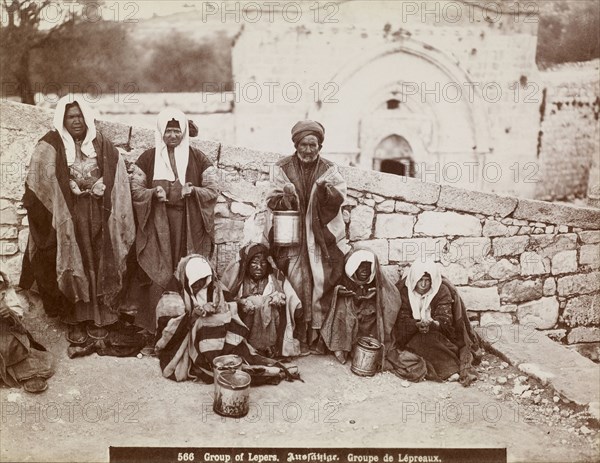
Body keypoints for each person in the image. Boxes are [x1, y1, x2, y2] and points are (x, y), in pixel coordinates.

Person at [19, 95, 135, 346]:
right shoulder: (51, 144)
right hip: (67, 219)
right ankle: (75, 321)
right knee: (73, 261)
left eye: (80, 115)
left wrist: (104, 183)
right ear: (63, 119)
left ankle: (101, 316)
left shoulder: (101, 144)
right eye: (71, 116)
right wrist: (64, 185)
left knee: (99, 258)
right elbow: (38, 177)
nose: (77, 121)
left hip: (99, 216)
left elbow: (116, 170)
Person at [129, 108, 219, 333]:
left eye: (177, 131)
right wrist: (153, 194)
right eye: (168, 131)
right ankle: (155, 327)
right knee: (158, 270)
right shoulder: (148, 157)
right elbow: (135, 189)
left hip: (188, 224)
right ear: (161, 132)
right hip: (157, 225)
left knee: (188, 269)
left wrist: (194, 191)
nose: (172, 136)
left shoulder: (198, 157)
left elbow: (213, 189)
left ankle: (190, 324)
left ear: (184, 132)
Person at [266, 120, 348, 353]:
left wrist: (327, 192)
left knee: (321, 282)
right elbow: (271, 199)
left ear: (320, 146)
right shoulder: (282, 168)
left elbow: (339, 197)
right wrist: (287, 197)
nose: (309, 150)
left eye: (313, 145)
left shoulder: (329, 169)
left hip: (319, 238)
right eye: (304, 145)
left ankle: (318, 337)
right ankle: (295, 335)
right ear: (296, 144)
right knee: (295, 283)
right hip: (290, 238)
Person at [154, 255, 300, 384]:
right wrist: (194, 315)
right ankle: (211, 362)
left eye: (203, 281)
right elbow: (168, 330)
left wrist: (220, 308)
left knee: (237, 351)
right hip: (188, 341)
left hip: (218, 336)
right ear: (187, 280)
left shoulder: (214, 286)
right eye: (195, 283)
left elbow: (230, 304)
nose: (199, 286)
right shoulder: (172, 297)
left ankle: (265, 369)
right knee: (205, 326)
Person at [391, 259, 481, 385]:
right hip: (410, 335)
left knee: (429, 339)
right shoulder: (404, 292)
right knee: (419, 342)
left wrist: (433, 324)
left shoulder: (441, 291)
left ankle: (449, 368)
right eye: (420, 280)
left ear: (432, 280)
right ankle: (449, 369)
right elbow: (401, 320)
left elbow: (446, 319)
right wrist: (415, 325)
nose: (423, 284)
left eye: (427, 280)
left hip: (438, 333)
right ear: (413, 279)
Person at [221, 243, 302, 358]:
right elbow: (228, 300)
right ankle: (248, 346)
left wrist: (277, 298)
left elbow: (284, 297)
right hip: (246, 318)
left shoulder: (271, 279)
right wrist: (242, 303)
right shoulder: (240, 281)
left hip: (269, 323)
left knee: (267, 307)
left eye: (263, 263)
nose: (259, 267)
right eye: (254, 262)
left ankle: (268, 347)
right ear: (247, 264)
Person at [321, 248, 400, 365]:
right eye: (361, 267)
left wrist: (376, 295)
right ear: (354, 268)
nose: (365, 271)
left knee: (372, 315)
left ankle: (360, 349)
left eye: (368, 267)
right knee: (343, 309)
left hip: (366, 314)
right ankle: (340, 348)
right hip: (348, 311)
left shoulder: (374, 281)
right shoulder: (343, 279)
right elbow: (326, 297)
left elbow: (390, 298)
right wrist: (338, 292)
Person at [1, 272, 54, 393]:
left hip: (5, 333)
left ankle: (28, 370)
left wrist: (9, 312)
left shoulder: (2, 281)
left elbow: (16, 310)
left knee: (14, 345)